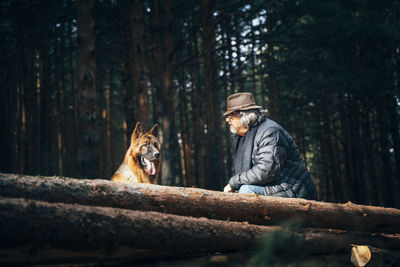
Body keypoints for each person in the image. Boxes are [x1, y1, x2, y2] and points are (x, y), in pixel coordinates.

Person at [223, 92, 318, 200]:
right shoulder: (243, 137)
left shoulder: (270, 132)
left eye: (231, 116)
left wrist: (234, 182)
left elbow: (266, 171)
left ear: (244, 115)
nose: (227, 120)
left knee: (246, 191)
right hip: (274, 188)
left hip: (293, 190)